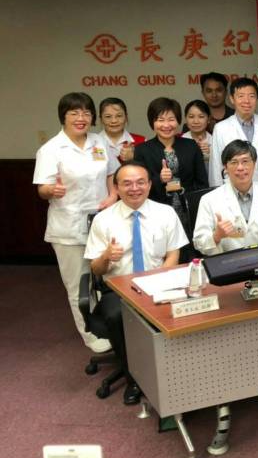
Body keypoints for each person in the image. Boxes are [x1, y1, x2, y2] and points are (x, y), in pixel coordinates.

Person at [84, 161, 187, 404]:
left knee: (184, 310)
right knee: (115, 316)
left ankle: (176, 372)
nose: (134, 188)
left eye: (141, 182)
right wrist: (106, 257)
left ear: (150, 185)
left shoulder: (165, 213)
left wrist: (160, 282)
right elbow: (95, 269)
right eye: (127, 183)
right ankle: (134, 379)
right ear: (117, 188)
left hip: (160, 284)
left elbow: (174, 253)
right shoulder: (103, 220)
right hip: (119, 289)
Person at [33, 92, 118, 353]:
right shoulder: (51, 149)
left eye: (86, 112)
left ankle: (112, 327)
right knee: (79, 284)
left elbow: (111, 173)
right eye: (74, 113)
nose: (81, 118)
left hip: (101, 221)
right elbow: (42, 188)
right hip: (68, 227)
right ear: (64, 116)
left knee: (106, 278)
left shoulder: (98, 141)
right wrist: (52, 190)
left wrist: (113, 195)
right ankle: (91, 335)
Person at [194, 140, 258, 255]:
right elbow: (198, 242)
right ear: (225, 167)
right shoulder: (208, 200)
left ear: (254, 164)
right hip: (229, 261)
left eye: (245, 161)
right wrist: (216, 236)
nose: (240, 167)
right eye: (234, 162)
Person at [133, 98, 208, 235]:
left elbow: (202, 182)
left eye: (171, 119)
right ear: (152, 122)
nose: (166, 125)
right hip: (157, 211)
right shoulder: (142, 150)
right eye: (160, 120)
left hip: (190, 210)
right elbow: (139, 185)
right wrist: (160, 179)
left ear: (178, 121)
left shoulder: (191, 146)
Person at [209, 77, 258, 189]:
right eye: (241, 96)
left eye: (251, 96)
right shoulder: (221, 128)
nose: (246, 101)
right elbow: (216, 166)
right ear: (232, 99)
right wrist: (216, 191)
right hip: (232, 188)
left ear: (257, 99)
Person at [97, 97, 145, 164]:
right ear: (101, 119)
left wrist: (134, 157)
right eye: (108, 116)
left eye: (119, 116)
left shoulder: (142, 141)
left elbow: (150, 169)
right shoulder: (93, 142)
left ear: (126, 117)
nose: (114, 121)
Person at [182, 99, 212, 163]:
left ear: (209, 119)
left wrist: (211, 154)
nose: (196, 121)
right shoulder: (179, 141)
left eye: (201, 117)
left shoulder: (214, 141)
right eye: (191, 117)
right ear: (186, 119)